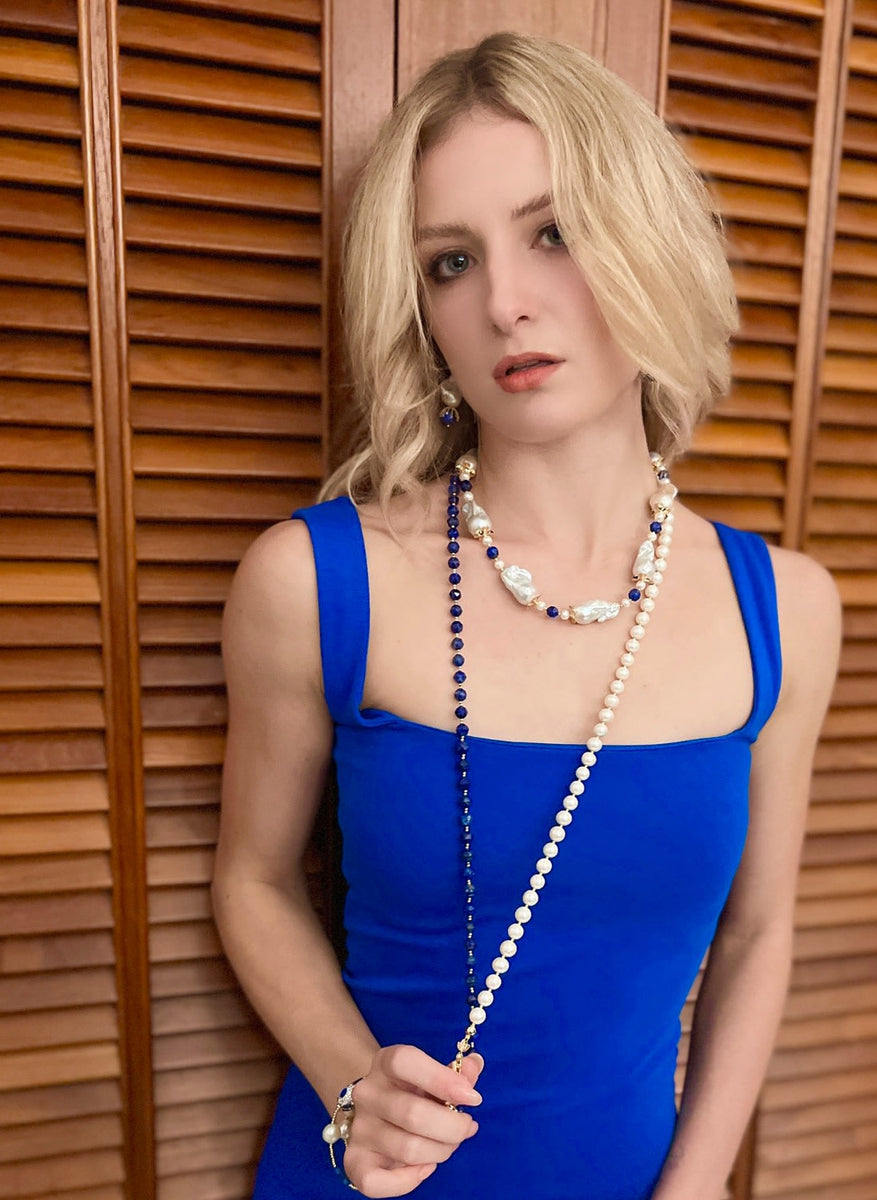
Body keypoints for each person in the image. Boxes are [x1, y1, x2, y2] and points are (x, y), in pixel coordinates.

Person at [213, 30, 840, 1200]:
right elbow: (251, 880)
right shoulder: (314, 582)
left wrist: (698, 1184)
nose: (504, 302)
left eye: (553, 232)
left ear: (646, 241)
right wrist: (355, 1085)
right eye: (451, 262)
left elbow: (759, 932)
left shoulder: (787, 612)